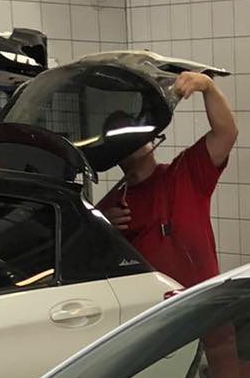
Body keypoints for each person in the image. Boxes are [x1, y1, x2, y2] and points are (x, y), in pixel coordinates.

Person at [99, 70, 237, 287]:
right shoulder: (111, 208)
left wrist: (208, 87)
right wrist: (103, 228)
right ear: (113, 154)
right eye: (121, 139)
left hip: (201, 299)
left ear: (151, 138)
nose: (131, 142)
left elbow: (226, 133)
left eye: (134, 133)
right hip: (155, 305)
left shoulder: (186, 173)